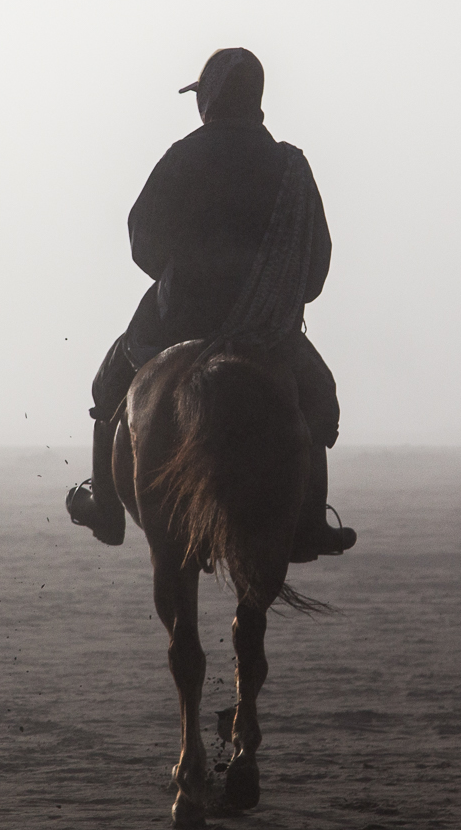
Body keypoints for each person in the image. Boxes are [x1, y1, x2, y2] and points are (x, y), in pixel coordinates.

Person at [64, 47, 357, 563]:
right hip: (268, 330)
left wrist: (179, 275)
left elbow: (142, 240)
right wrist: (279, 297)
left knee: (109, 385)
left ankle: (106, 508)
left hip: (178, 320)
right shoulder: (291, 166)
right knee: (318, 401)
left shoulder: (184, 155)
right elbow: (317, 263)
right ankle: (309, 522)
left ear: (212, 100)